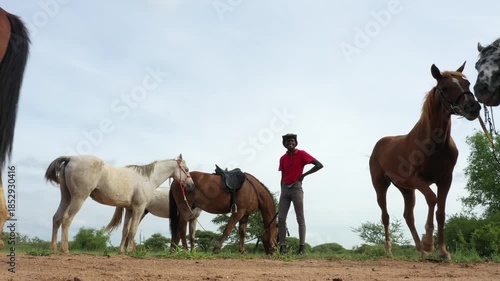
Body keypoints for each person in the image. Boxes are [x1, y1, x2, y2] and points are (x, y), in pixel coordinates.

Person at [278, 133, 323, 255]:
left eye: (292, 141)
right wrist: (282, 189)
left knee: (300, 217)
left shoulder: (302, 154)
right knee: (281, 218)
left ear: (295, 142)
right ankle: (282, 247)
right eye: (287, 141)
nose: (290, 143)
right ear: (285, 144)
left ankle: (301, 248)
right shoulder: (283, 158)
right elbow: (282, 176)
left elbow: (319, 165)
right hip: (285, 189)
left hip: (296, 188)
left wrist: (303, 175)